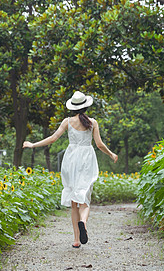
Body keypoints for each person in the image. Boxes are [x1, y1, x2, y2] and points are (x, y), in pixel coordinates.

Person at [23, 91, 118, 248]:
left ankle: (76, 240)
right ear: (86, 106)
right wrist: (111, 154)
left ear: (72, 107)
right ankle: (83, 222)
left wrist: (33, 144)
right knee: (85, 200)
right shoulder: (92, 122)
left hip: (71, 159)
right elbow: (99, 144)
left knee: (74, 202)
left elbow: (53, 139)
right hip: (87, 158)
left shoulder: (67, 121)